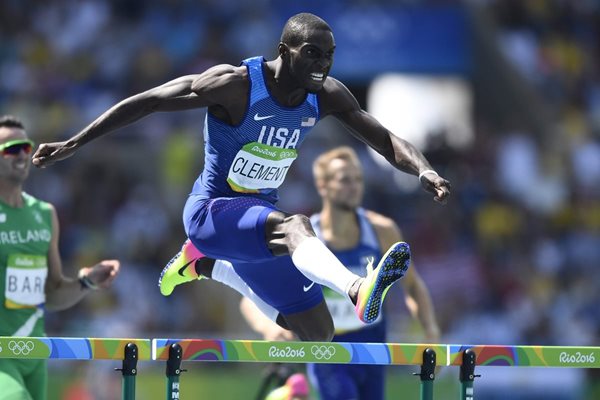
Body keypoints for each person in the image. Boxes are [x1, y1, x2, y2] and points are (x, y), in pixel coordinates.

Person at [32, 13, 450, 342]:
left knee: (318, 331)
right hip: (210, 213)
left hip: (254, 228)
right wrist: (73, 143)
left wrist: (424, 169)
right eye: (313, 54)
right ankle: (357, 288)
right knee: (296, 225)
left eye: (329, 55)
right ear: (284, 50)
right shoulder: (236, 85)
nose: (323, 65)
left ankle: (207, 264)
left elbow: (385, 139)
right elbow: (148, 102)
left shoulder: (325, 96)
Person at [240, 146, 440, 400]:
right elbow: (249, 293)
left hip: (371, 351)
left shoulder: (382, 230)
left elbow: (412, 286)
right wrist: (269, 326)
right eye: (345, 180)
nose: (355, 186)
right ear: (323, 186)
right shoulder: (300, 238)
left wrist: (430, 332)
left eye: (358, 179)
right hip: (327, 351)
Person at [0, 115, 120, 400]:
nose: (20, 155)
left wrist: (86, 282)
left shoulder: (44, 214)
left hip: (34, 353)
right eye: (10, 148)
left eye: (25, 148)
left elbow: (52, 294)